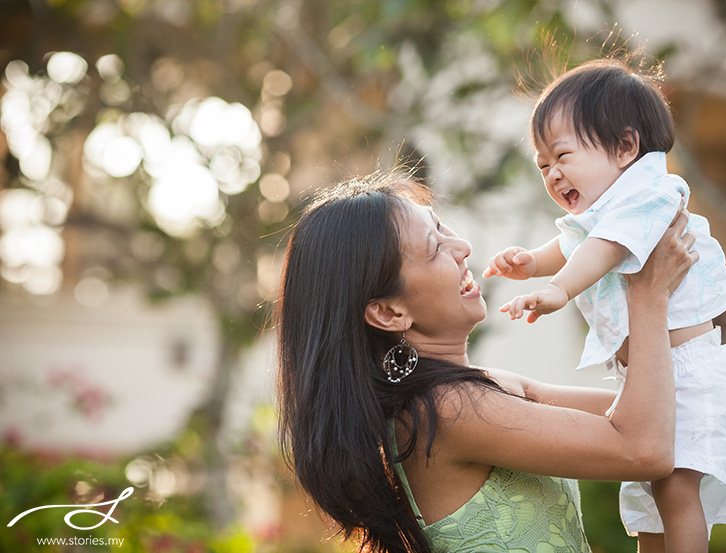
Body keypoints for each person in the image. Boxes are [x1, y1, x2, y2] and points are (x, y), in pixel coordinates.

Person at [276, 169, 698, 553]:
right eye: (434, 246)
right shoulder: (448, 410)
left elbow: (663, 419)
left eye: (440, 226)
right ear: (389, 313)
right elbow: (644, 449)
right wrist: (646, 295)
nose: (462, 247)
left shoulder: (480, 387)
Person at [484, 59, 726, 552]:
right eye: (543, 164)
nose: (552, 173)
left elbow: (604, 247)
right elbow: (574, 245)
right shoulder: (603, 213)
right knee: (650, 506)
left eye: (563, 155)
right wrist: (530, 264)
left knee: (675, 490)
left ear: (626, 147)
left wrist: (558, 290)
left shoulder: (650, 194)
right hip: (651, 378)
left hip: (688, 372)